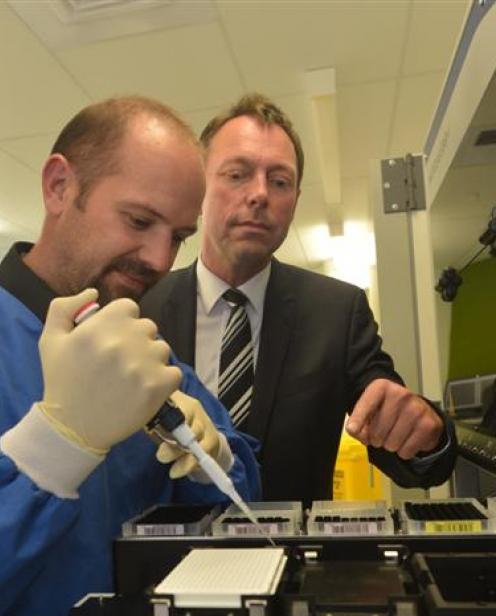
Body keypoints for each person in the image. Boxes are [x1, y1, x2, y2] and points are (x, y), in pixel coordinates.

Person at [0, 96, 260, 616]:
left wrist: (215, 461)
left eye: (179, 236)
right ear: (58, 186)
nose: (160, 258)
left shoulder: (156, 361)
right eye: (139, 221)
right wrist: (53, 449)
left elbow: (245, 505)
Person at [141, 93, 457, 505]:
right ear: (200, 185)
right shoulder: (140, 305)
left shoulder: (336, 311)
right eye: (237, 174)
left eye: (280, 181)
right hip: (165, 561)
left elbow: (407, 450)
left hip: (295, 560)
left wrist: (425, 431)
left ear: (295, 201)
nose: (259, 195)